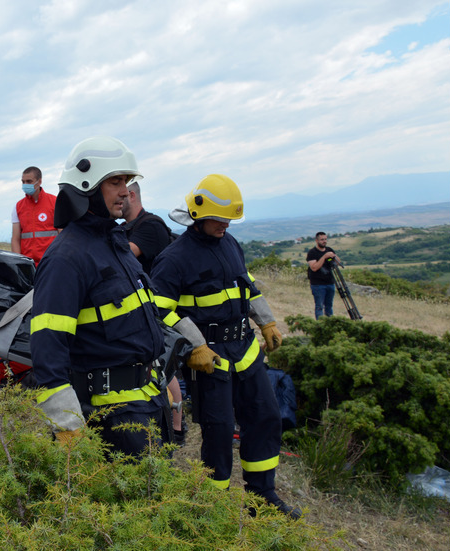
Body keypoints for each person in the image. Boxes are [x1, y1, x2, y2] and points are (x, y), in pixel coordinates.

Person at [29, 136, 212, 458]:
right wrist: (67, 422)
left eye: (126, 182)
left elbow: (151, 310)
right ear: (87, 186)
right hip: (111, 415)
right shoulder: (66, 258)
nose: (125, 191)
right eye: (115, 181)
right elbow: (47, 345)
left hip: (150, 400)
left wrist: (195, 341)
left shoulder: (115, 245)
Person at [150, 174, 302, 519]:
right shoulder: (174, 259)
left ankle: (261, 497)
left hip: (246, 351)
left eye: (229, 220)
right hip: (211, 359)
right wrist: (196, 347)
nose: (226, 225)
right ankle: (211, 506)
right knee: (218, 433)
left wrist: (267, 321)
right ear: (199, 216)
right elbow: (160, 312)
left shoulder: (230, 244)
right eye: (220, 219)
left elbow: (247, 286)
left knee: (264, 417)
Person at [119, 181, 185, 443]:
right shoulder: (126, 228)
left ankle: (177, 428)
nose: (118, 198)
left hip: (158, 307)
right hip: (141, 308)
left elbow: (126, 256)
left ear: (132, 195)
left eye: (122, 193)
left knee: (164, 367)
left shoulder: (150, 225)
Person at [10, 166, 57, 266]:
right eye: (23, 182)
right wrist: (18, 262)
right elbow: (15, 238)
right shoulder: (18, 206)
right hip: (28, 264)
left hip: (51, 262)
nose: (25, 185)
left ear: (39, 181)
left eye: (29, 181)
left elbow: (63, 234)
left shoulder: (54, 202)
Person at [306, 232, 340, 319]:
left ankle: (329, 323)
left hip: (330, 282)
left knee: (329, 306)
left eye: (325, 239)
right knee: (319, 306)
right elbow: (314, 267)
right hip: (318, 284)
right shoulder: (312, 253)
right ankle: (320, 325)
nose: (324, 241)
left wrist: (334, 256)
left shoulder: (329, 249)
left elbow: (338, 263)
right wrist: (324, 257)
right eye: (322, 240)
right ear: (316, 240)